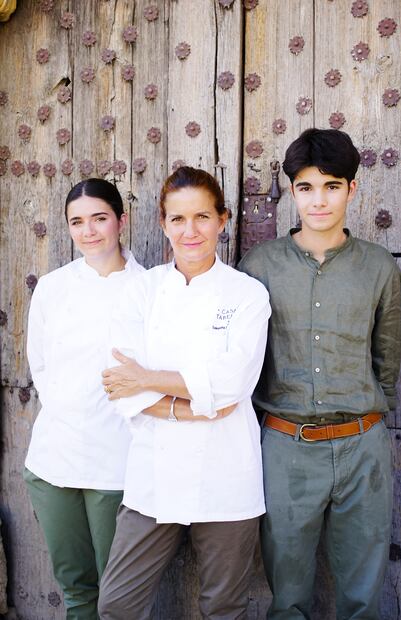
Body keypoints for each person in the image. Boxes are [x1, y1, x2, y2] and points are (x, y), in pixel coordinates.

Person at [239, 128, 401, 620]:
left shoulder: (379, 267)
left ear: (353, 189)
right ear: (292, 191)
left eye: (332, 186)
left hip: (363, 448)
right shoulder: (259, 266)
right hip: (286, 447)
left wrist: (365, 416)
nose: (319, 200)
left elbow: (387, 360)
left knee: (363, 594)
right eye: (306, 187)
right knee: (287, 594)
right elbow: (246, 361)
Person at [97, 166, 271, 620]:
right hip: (152, 475)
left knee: (224, 607)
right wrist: (190, 405)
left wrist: (149, 378)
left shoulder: (248, 294)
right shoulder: (143, 290)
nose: (190, 230)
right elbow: (119, 382)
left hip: (227, 475)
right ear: (162, 223)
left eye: (201, 217)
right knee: (117, 605)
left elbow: (232, 387)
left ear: (223, 220)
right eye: (178, 219)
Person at [24, 179, 145, 619]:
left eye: (99, 218)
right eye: (77, 221)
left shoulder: (148, 289)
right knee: (76, 591)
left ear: (120, 220)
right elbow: (40, 366)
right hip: (53, 460)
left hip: (116, 464)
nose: (89, 231)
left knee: (117, 596)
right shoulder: (53, 288)